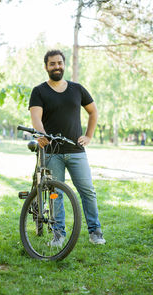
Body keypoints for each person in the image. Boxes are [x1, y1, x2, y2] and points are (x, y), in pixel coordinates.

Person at [29, 49, 106, 246]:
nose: (57, 66)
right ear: (46, 67)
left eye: (59, 63)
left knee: (87, 191)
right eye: (52, 63)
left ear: (64, 65)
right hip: (53, 152)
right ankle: (58, 234)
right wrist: (42, 134)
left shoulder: (77, 89)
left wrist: (88, 136)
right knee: (55, 194)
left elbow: (93, 111)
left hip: (76, 151)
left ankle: (95, 231)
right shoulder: (39, 91)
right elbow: (36, 117)